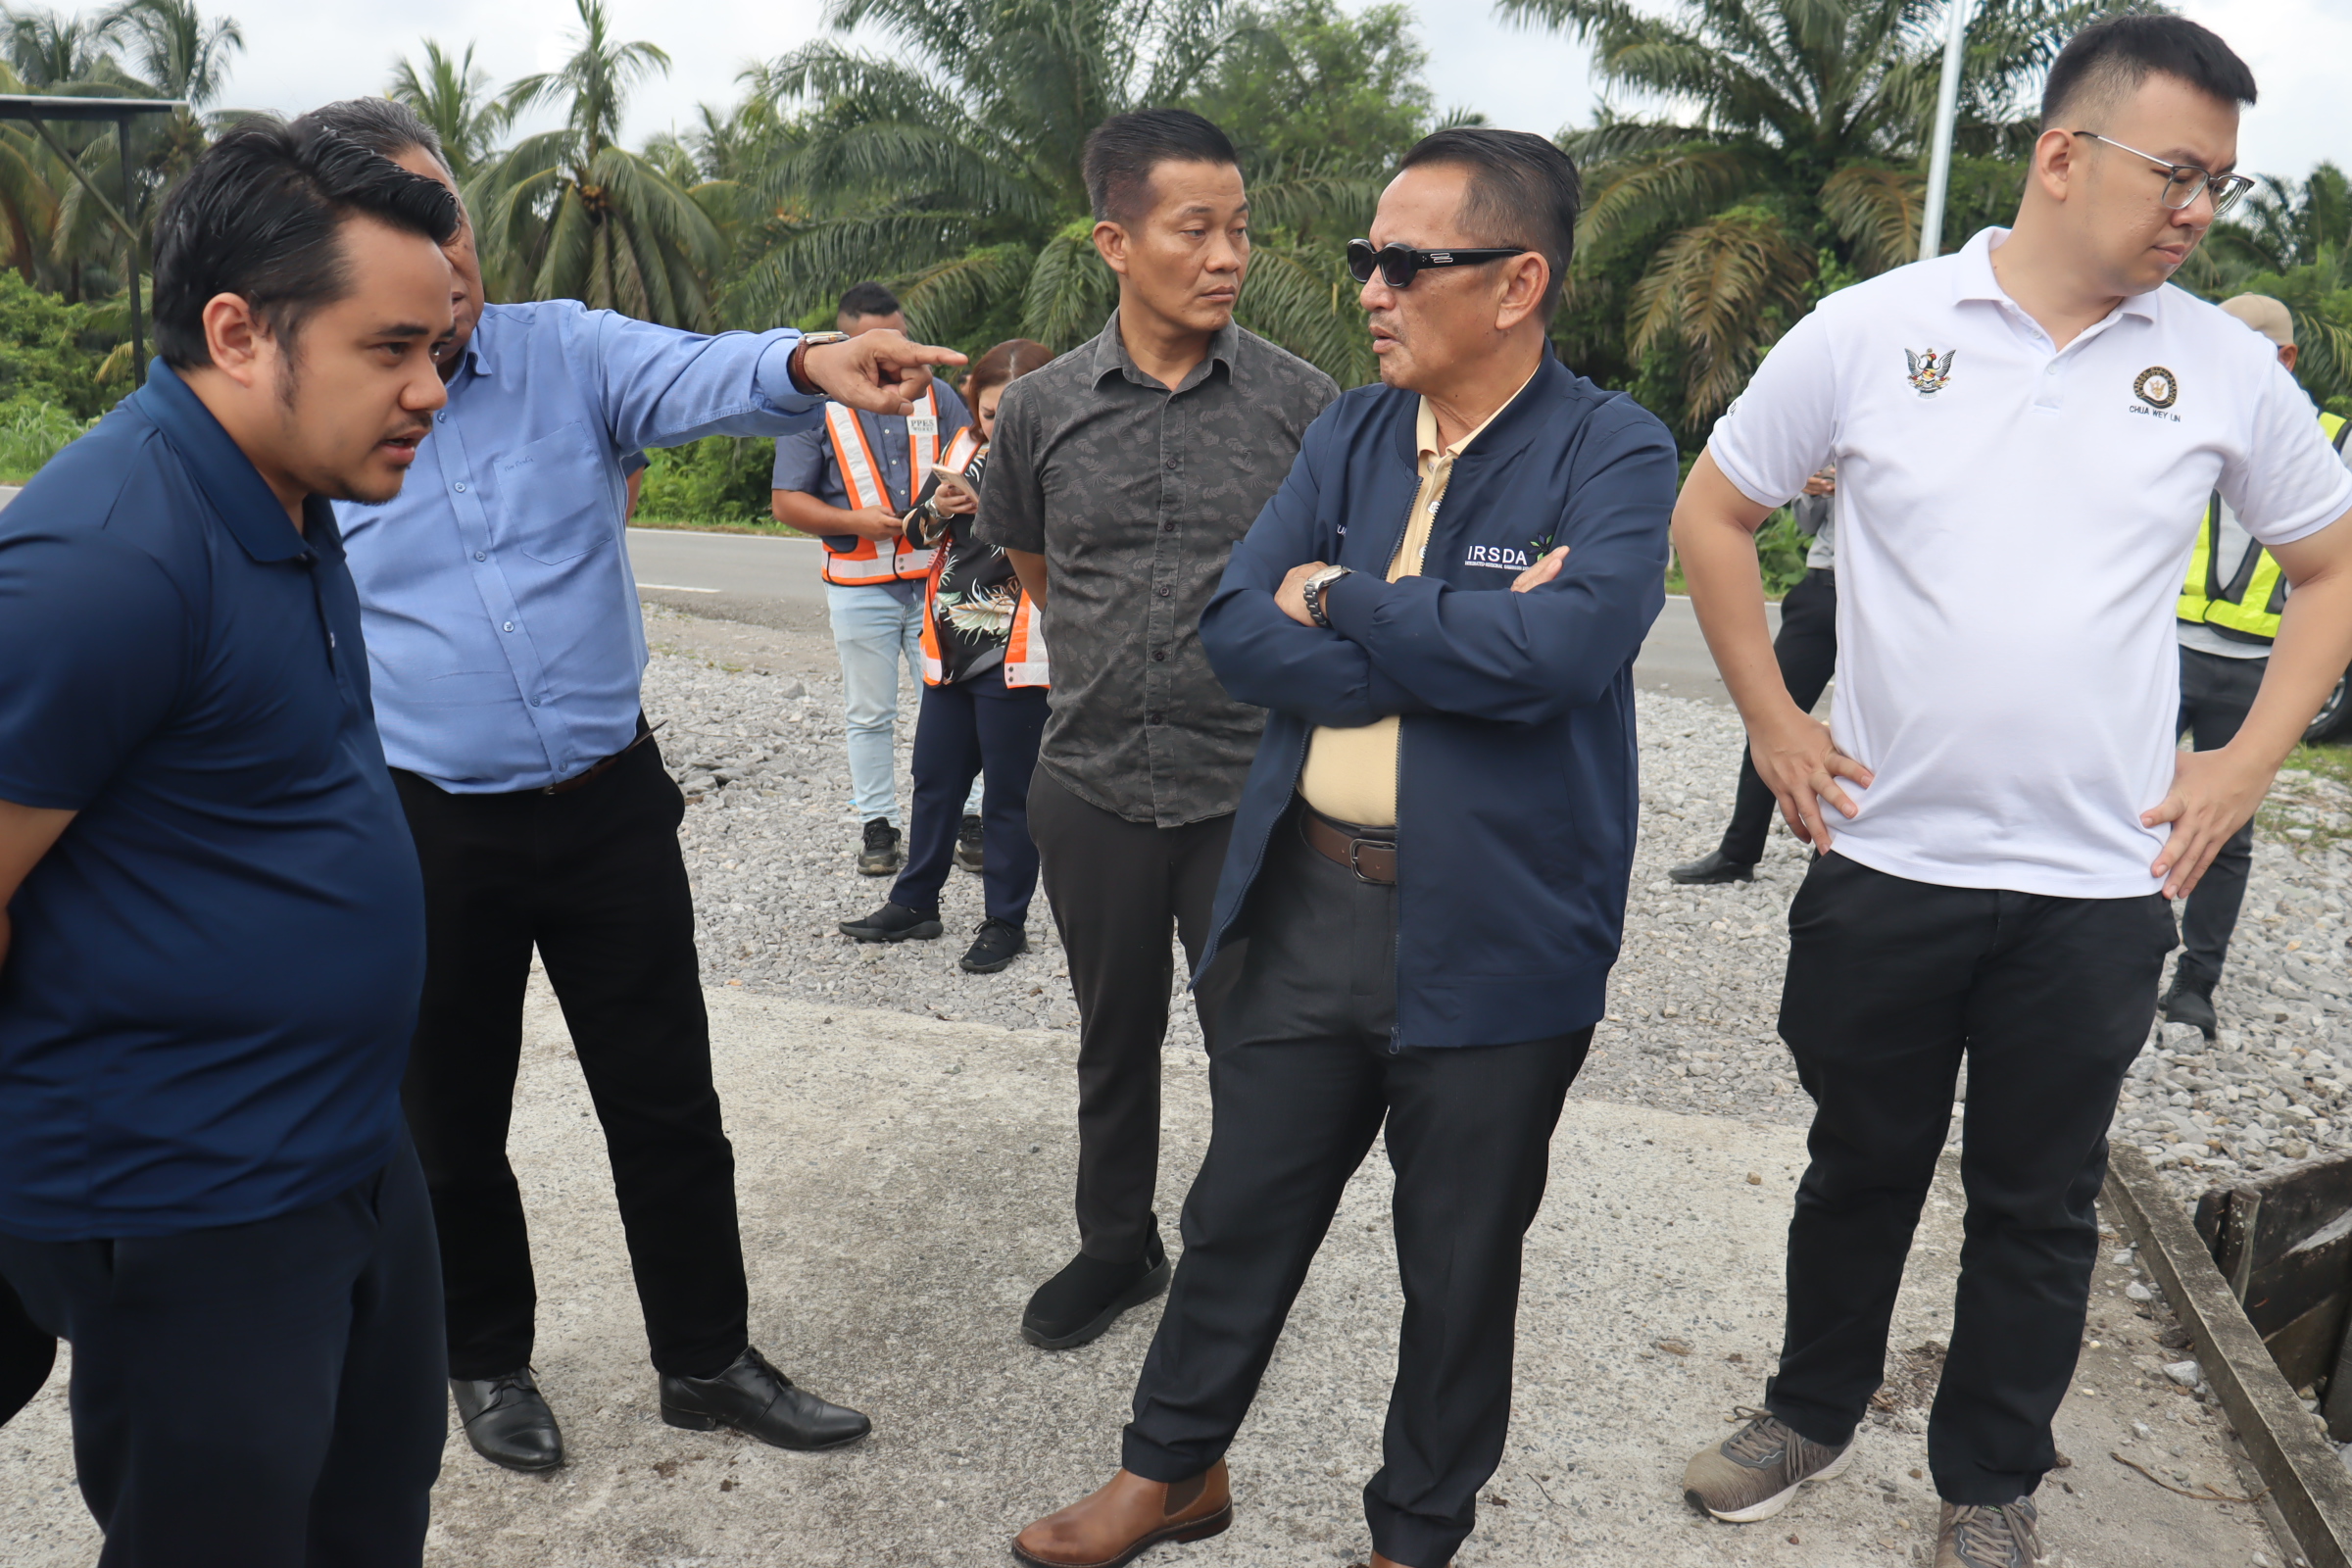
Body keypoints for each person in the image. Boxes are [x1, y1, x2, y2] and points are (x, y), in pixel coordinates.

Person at [1668, 20, 2352, 1568]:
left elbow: (2332, 567)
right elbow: (1714, 514)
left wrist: (2244, 765)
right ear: (2061, 154)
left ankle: (1990, 1486)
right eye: (2175, 172)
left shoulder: (2222, 366)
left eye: (2222, 185)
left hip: (2096, 886)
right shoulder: (1872, 330)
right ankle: (1809, 1412)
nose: (2197, 210)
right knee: (1860, 1165)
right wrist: (1774, 720)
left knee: (2037, 1204)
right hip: (1887, 858)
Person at [1010, 126, 1676, 1568]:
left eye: (1405, 263)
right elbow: (1236, 630)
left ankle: (1414, 1534)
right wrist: (1452, 641)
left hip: (1500, 931)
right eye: (1368, 258)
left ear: (1517, 284)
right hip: (1312, 895)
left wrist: (1348, 600)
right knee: (1239, 1210)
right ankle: (1171, 1469)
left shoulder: (1611, 448)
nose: (1369, 288)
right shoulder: (1354, 432)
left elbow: (1566, 655)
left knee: (1458, 1260)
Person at [300, 98, 964, 1474]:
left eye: (447, 212)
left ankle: (705, 1359)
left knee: (668, 1102)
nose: (444, 251)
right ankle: (484, 1358)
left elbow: (708, 370)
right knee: (450, 1119)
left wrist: (817, 359)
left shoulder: (566, 351)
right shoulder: (323, 408)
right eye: (397, 223)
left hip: (608, 807)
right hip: (430, 823)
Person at [0, 119, 459, 1564]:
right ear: (239, 333)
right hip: (192, 1196)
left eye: (439, 346)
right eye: (392, 348)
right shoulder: (108, 557)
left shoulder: (291, 495)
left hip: (347, 1148)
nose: (431, 388)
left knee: (368, 1508)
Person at [975, 109, 1339, 1351]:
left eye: (1240, 229)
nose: (1227, 256)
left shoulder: (1304, 405)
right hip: (1090, 785)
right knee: (1112, 1036)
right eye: (1196, 230)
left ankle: (1238, 1268)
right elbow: (1038, 570)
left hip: (1251, 792)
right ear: (1116, 242)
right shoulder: (1040, 409)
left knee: (1259, 1050)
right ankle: (1115, 1245)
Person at [2160, 294, 2352, 1036]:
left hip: (2260, 665)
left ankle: (2196, 981)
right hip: (2167, 650)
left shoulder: (2335, 441)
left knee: (2227, 829)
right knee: (2119, 800)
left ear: (2286, 360)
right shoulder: (2177, 412)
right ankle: (2110, 947)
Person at [841, 338, 1057, 973]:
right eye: (990, 414)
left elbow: (1072, 549)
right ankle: (915, 903)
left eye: (1014, 414)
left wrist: (996, 507)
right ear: (973, 407)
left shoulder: (1066, 460)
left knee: (1008, 797)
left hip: (1018, 654)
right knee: (935, 781)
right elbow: (913, 535)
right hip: (951, 649)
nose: (1000, 427)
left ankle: (1005, 921)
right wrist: (937, 507)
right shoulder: (962, 449)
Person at [772, 281, 983, 877]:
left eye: (899, 338)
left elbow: (977, 467)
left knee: (953, 704)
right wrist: (854, 521)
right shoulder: (813, 407)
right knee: (869, 713)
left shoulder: (938, 395)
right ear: (845, 343)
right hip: (858, 586)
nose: (892, 353)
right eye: (876, 343)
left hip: (936, 581)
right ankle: (878, 824)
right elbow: (787, 502)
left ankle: (969, 816)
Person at [1672, 466, 1839, 883]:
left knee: (1878, 731)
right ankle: (1738, 852)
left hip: (1887, 596)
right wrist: (1813, 491)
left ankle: (1853, 854)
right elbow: (1807, 527)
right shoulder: (1841, 439)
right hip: (1822, 588)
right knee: (1770, 718)